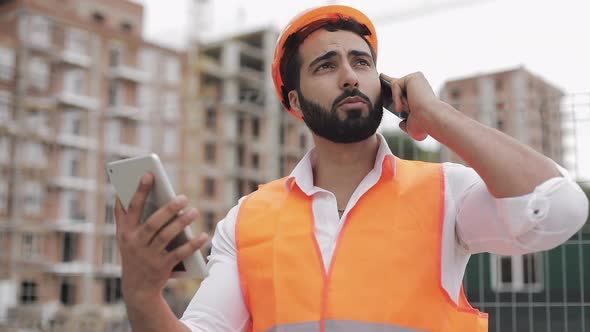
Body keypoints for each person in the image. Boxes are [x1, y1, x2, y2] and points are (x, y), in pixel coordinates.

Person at [114, 5, 589, 332]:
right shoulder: (247, 218)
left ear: (381, 84)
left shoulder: (447, 192)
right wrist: (142, 294)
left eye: (361, 62)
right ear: (295, 103)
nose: (348, 74)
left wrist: (438, 117)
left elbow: (559, 210)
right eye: (325, 66)